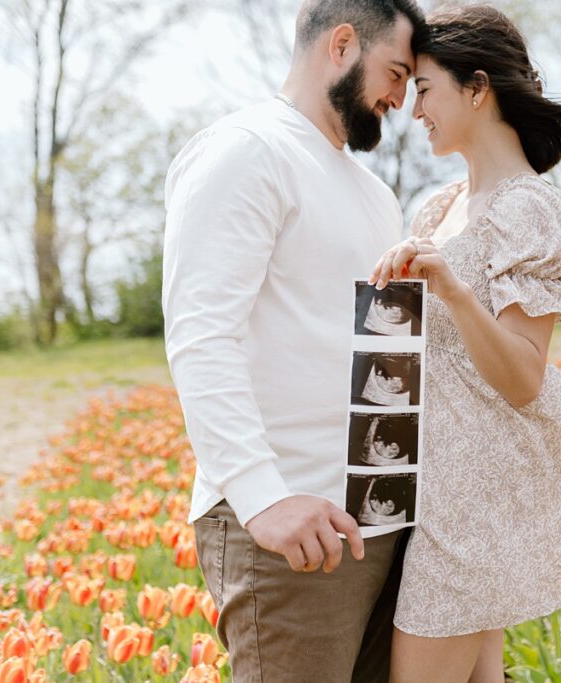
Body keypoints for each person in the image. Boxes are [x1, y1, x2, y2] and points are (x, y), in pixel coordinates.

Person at [368, 5, 561, 682]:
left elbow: (525, 378)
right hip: (436, 494)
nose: (415, 111)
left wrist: (452, 290)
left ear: (477, 87)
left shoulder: (530, 209)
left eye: (425, 88)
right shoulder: (438, 209)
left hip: (478, 506)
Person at [162, 1, 427, 681]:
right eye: (395, 72)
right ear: (341, 44)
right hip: (288, 528)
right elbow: (201, 334)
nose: (401, 98)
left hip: (381, 528)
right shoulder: (248, 150)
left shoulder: (375, 195)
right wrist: (263, 498)